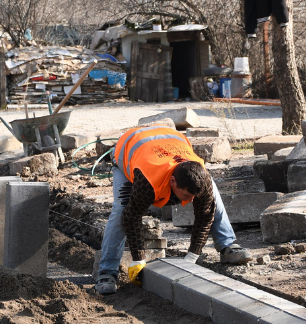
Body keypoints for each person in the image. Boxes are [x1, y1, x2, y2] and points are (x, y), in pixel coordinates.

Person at [94, 125, 254, 295]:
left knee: (212, 195)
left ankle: (227, 245)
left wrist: (192, 257)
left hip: (169, 139)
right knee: (121, 210)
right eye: (186, 194)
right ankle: (107, 272)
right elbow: (131, 217)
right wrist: (138, 260)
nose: (191, 200)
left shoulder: (202, 178)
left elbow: (205, 215)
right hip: (130, 148)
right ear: (172, 182)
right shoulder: (147, 182)